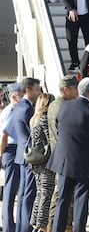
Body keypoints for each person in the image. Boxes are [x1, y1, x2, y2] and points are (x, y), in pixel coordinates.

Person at [46, 77, 89, 232]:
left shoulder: (64, 107)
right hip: (84, 162)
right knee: (81, 200)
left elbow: (60, 129)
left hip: (64, 160)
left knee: (62, 199)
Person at [47, 75, 79, 232]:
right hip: (66, 155)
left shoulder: (54, 105)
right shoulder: (64, 107)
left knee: (61, 192)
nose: (77, 92)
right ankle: (58, 225)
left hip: (58, 154)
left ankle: (58, 224)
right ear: (67, 89)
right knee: (62, 193)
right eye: (75, 88)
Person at [13, 77, 42, 232]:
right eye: (37, 90)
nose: (39, 94)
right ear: (28, 90)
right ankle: (26, 228)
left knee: (24, 195)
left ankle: (20, 227)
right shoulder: (28, 109)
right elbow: (34, 134)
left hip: (21, 154)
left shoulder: (18, 107)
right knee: (29, 195)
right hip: (30, 155)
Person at [28, 93, 56, 232]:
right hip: (46, 161)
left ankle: (35, 222)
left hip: (36, 161)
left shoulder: (35, 119)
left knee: (40, 192)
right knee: (46, 193)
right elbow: (51, 140)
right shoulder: (45, 120)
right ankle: (42, 225)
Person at [0, 83, 23, 232]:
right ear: (14, 96)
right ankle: (8, 225)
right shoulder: (11, 110)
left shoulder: (15, 109)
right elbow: (4, 135)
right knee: (10, 190)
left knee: (14, 188)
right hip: (10, 150)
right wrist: (1, 153)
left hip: (13, 150)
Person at [63, 0, 89, 71]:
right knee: (71, 39)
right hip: (72, 15)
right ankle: (75, 62)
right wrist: (70, 9)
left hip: (88, 15)